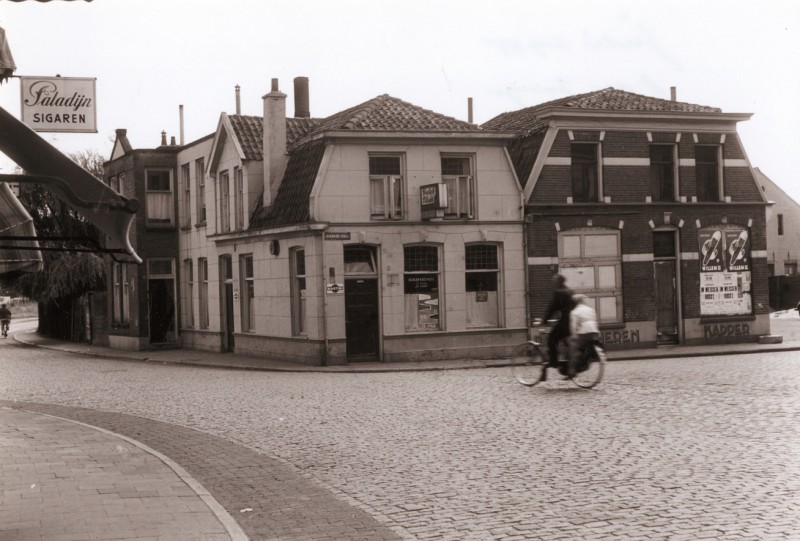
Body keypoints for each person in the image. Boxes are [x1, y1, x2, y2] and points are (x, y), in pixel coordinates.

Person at [541, 274, 575, 371]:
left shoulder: (559, 293)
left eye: (554, 281)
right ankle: (568, 364)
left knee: (551, 340)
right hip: (574, 322)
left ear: (558, 282)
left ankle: (554, 361)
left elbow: (551, 309)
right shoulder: (571, 291)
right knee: (568, 342)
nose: (552, 283)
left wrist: (544, 321)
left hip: (565, 322)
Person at [569, 294, 599, 376]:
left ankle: (572, 370)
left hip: (584, 331)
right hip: (593, 331)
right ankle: (586, 362)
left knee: (573, 348)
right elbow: (595, 321)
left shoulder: (574, 312)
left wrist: (573, 335)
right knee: (588, 346)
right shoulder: (590, 310)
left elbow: (573, 325)